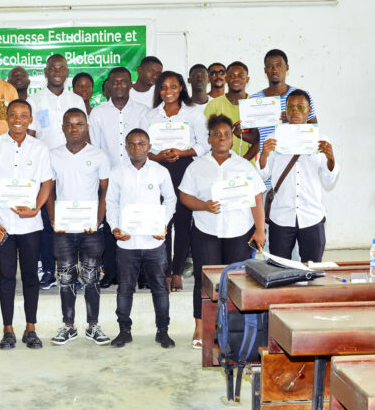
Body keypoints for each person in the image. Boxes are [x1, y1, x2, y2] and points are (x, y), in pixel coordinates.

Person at [179, 114, 266, 349]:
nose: (221, 138)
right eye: (216, 134)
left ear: (232, 138)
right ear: (209, 138)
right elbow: (184, 195)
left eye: (226, 134)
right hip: (206, 231)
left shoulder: (244, 166)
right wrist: (204, 206)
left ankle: (234, 329)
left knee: (237, 281)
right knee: (204, 281)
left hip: (238, 232)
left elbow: (256, 198)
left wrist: (260, 230)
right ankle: (200, 327)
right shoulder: (197, 167)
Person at [0, 100, 54, 350]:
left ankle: (30, 327)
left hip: (30, 224)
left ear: (30, 119)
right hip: (3, 225)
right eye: (13, 115)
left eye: (23, 115)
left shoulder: (40, 148)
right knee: (6, 278)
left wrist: (36, 208)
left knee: (31, 277)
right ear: (7, 118)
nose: (18, 119)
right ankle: (8, 329)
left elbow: (47, 183)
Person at [46, 108, 111, 345]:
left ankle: (93, 326)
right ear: (62, 128)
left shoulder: (100, 155)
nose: (74, 129)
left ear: (86, 127)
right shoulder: (53, 155)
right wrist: (54, 220)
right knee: (65, 277)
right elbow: (49, 190)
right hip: (63, 229)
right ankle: (68, 326)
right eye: (69, 125)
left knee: (91, 276)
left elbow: (105, 191)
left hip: (90, 229)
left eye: (79, 124)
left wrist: (98, 220)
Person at [107, 128, 177, 348]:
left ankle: (163, 331)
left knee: (159, 287)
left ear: (148, 146)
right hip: (127, 241)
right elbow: (112, 203)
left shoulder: (159, 171)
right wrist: (115, 227)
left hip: (153, 241)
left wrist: (162, 224)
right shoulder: (118, 172)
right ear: (126, 147)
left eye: (141, 144)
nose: (137, 148)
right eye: (132, 144)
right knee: (125, 288)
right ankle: (124, 331)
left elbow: (171, 199)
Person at [27, 54, 88, 290]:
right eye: (52, 67)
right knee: (47, 221)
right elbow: (31, 136)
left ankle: (72, 271)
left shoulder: (77, 99)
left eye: (61, 68)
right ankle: (49, 271)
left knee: (72, 219)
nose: (56, 71)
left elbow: (84, 133)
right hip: (45, 167)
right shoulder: (35, 100)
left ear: (67, 71)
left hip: (73, 165)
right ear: (45, 71)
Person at [145, 71, 208, 292]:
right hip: (159, 169)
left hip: (185, 169)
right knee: (163, 220)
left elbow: (204, 145)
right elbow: (145, 147)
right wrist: (157, 156)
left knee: (182, 222)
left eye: (173, 86)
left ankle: (177, 271)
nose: (168, 91)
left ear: (181, 87)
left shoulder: (194, 114)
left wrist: (182, 152)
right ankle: (163, 271)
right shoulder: (150, 116)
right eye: (163, 87)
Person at [258, 90, 337, 263]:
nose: (295, 112)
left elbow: (328, 180)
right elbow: (262, 177)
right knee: (280, 270)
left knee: (313, 270)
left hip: (311, 216)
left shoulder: (321, 140)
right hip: (281, 216)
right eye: (291, 107)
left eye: (300, 107)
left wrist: (331, 159)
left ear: (309, 111)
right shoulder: (273, 139)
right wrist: (263, 155)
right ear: (285, 111)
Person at [89, 67, 149, 288]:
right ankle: (111, 273)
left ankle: (142, 275)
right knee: (111, 224)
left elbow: (148, 144)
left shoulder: (144, 111)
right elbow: (95, 147)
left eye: (124, 81)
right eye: (115, 82)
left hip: (139, 175)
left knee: (139, 223)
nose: (119, 86)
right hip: (109, 177)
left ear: (130, 84)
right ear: (108, 86)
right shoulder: (98, 113)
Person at [250, 49, 318, 152]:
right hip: (268, 160)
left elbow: (314, 128)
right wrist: (240, 133)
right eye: (270, 66)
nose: (274, 70)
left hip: (296, 156)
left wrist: (292, 118)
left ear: (287, 67)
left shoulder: (302, 96)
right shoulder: (254, 100)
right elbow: (256, 138)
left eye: (279, 65)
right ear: (265, 70)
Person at [203, 62, 259, 161]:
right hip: (219, 164)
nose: (236, 79)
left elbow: (259, 140)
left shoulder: (255, 104)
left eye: (240, 76)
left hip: (249, 165)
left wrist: (242, 162)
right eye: (232, 76)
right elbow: (206, 138)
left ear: (247, 79)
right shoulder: (214, 105)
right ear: (226, 79)